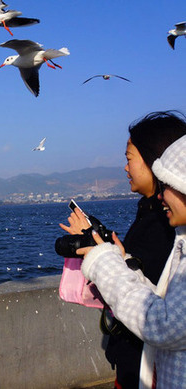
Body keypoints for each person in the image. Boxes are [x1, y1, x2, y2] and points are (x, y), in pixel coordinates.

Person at [60, 111, 186, 389]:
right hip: (144, 364)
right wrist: (120, 260)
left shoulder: (164, 227)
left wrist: (104, 260)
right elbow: (158, 292)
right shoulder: (166, 225)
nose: (125, 168)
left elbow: (163, 321)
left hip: (145, 363)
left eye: (129, 159)